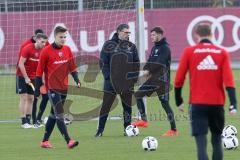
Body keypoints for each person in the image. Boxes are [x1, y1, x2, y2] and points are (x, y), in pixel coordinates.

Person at [174, 23, 237, 160]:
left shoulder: (189, 52)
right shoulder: (222, 52)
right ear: (212, 34)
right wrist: (233, 104)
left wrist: (178, 100)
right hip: (217, 104)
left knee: (201, 143)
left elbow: (179, 79)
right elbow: (229, 81)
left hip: (197, 104)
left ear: (196, 35)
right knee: (216, 141)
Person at [35, 26, 80, 149]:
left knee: (53, 114)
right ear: (54, 37)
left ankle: (44, 141)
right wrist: (37, 90)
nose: (63, 39)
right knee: (59, 114)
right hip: (52, 88)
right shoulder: (46, 51)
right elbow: (39, 73)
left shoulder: (67, 49)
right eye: (61, 37)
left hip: (64, 87)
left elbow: (72, 67)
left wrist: (77, 80)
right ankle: (68, 140)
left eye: (65, 37)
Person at [95, 24, 140, 137]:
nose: (127, 34)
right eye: (125, 32)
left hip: (126, 83)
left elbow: (136, 64)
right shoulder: (108, 45)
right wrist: (108, 78)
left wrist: (133, 79)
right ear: (118, 32)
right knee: (106, 107)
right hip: (111, 83)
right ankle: (100, 131)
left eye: (129, 33)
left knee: (127, 107)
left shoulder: (132, 46)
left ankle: (127, 130)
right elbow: (103, 63)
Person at [132, 26, 178, 136]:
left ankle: (174, 130)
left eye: (153, 35)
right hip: (152, 80)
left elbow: (159, 64)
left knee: (165, 103)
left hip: (162, 81)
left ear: (160, 35)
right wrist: (146, 71)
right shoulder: (154, 48)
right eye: (151, 35)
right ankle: (144, 120)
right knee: (138, 95)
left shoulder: (165, 48)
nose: (151, 37)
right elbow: (150, 62)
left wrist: (149, 69)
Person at [16, 33, 48, 128]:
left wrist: (42, 79)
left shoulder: (44, 51)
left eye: (45, 42)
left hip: (34, 77)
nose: (43, 44)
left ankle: (28, 120)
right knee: (24, 97)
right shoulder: (27, 48)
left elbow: (42, 67)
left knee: (31, 98)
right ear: (37, 40)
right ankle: (23, 122)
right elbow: (21, 64)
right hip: (22, 75)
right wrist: (26, 77)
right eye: (42, 42)